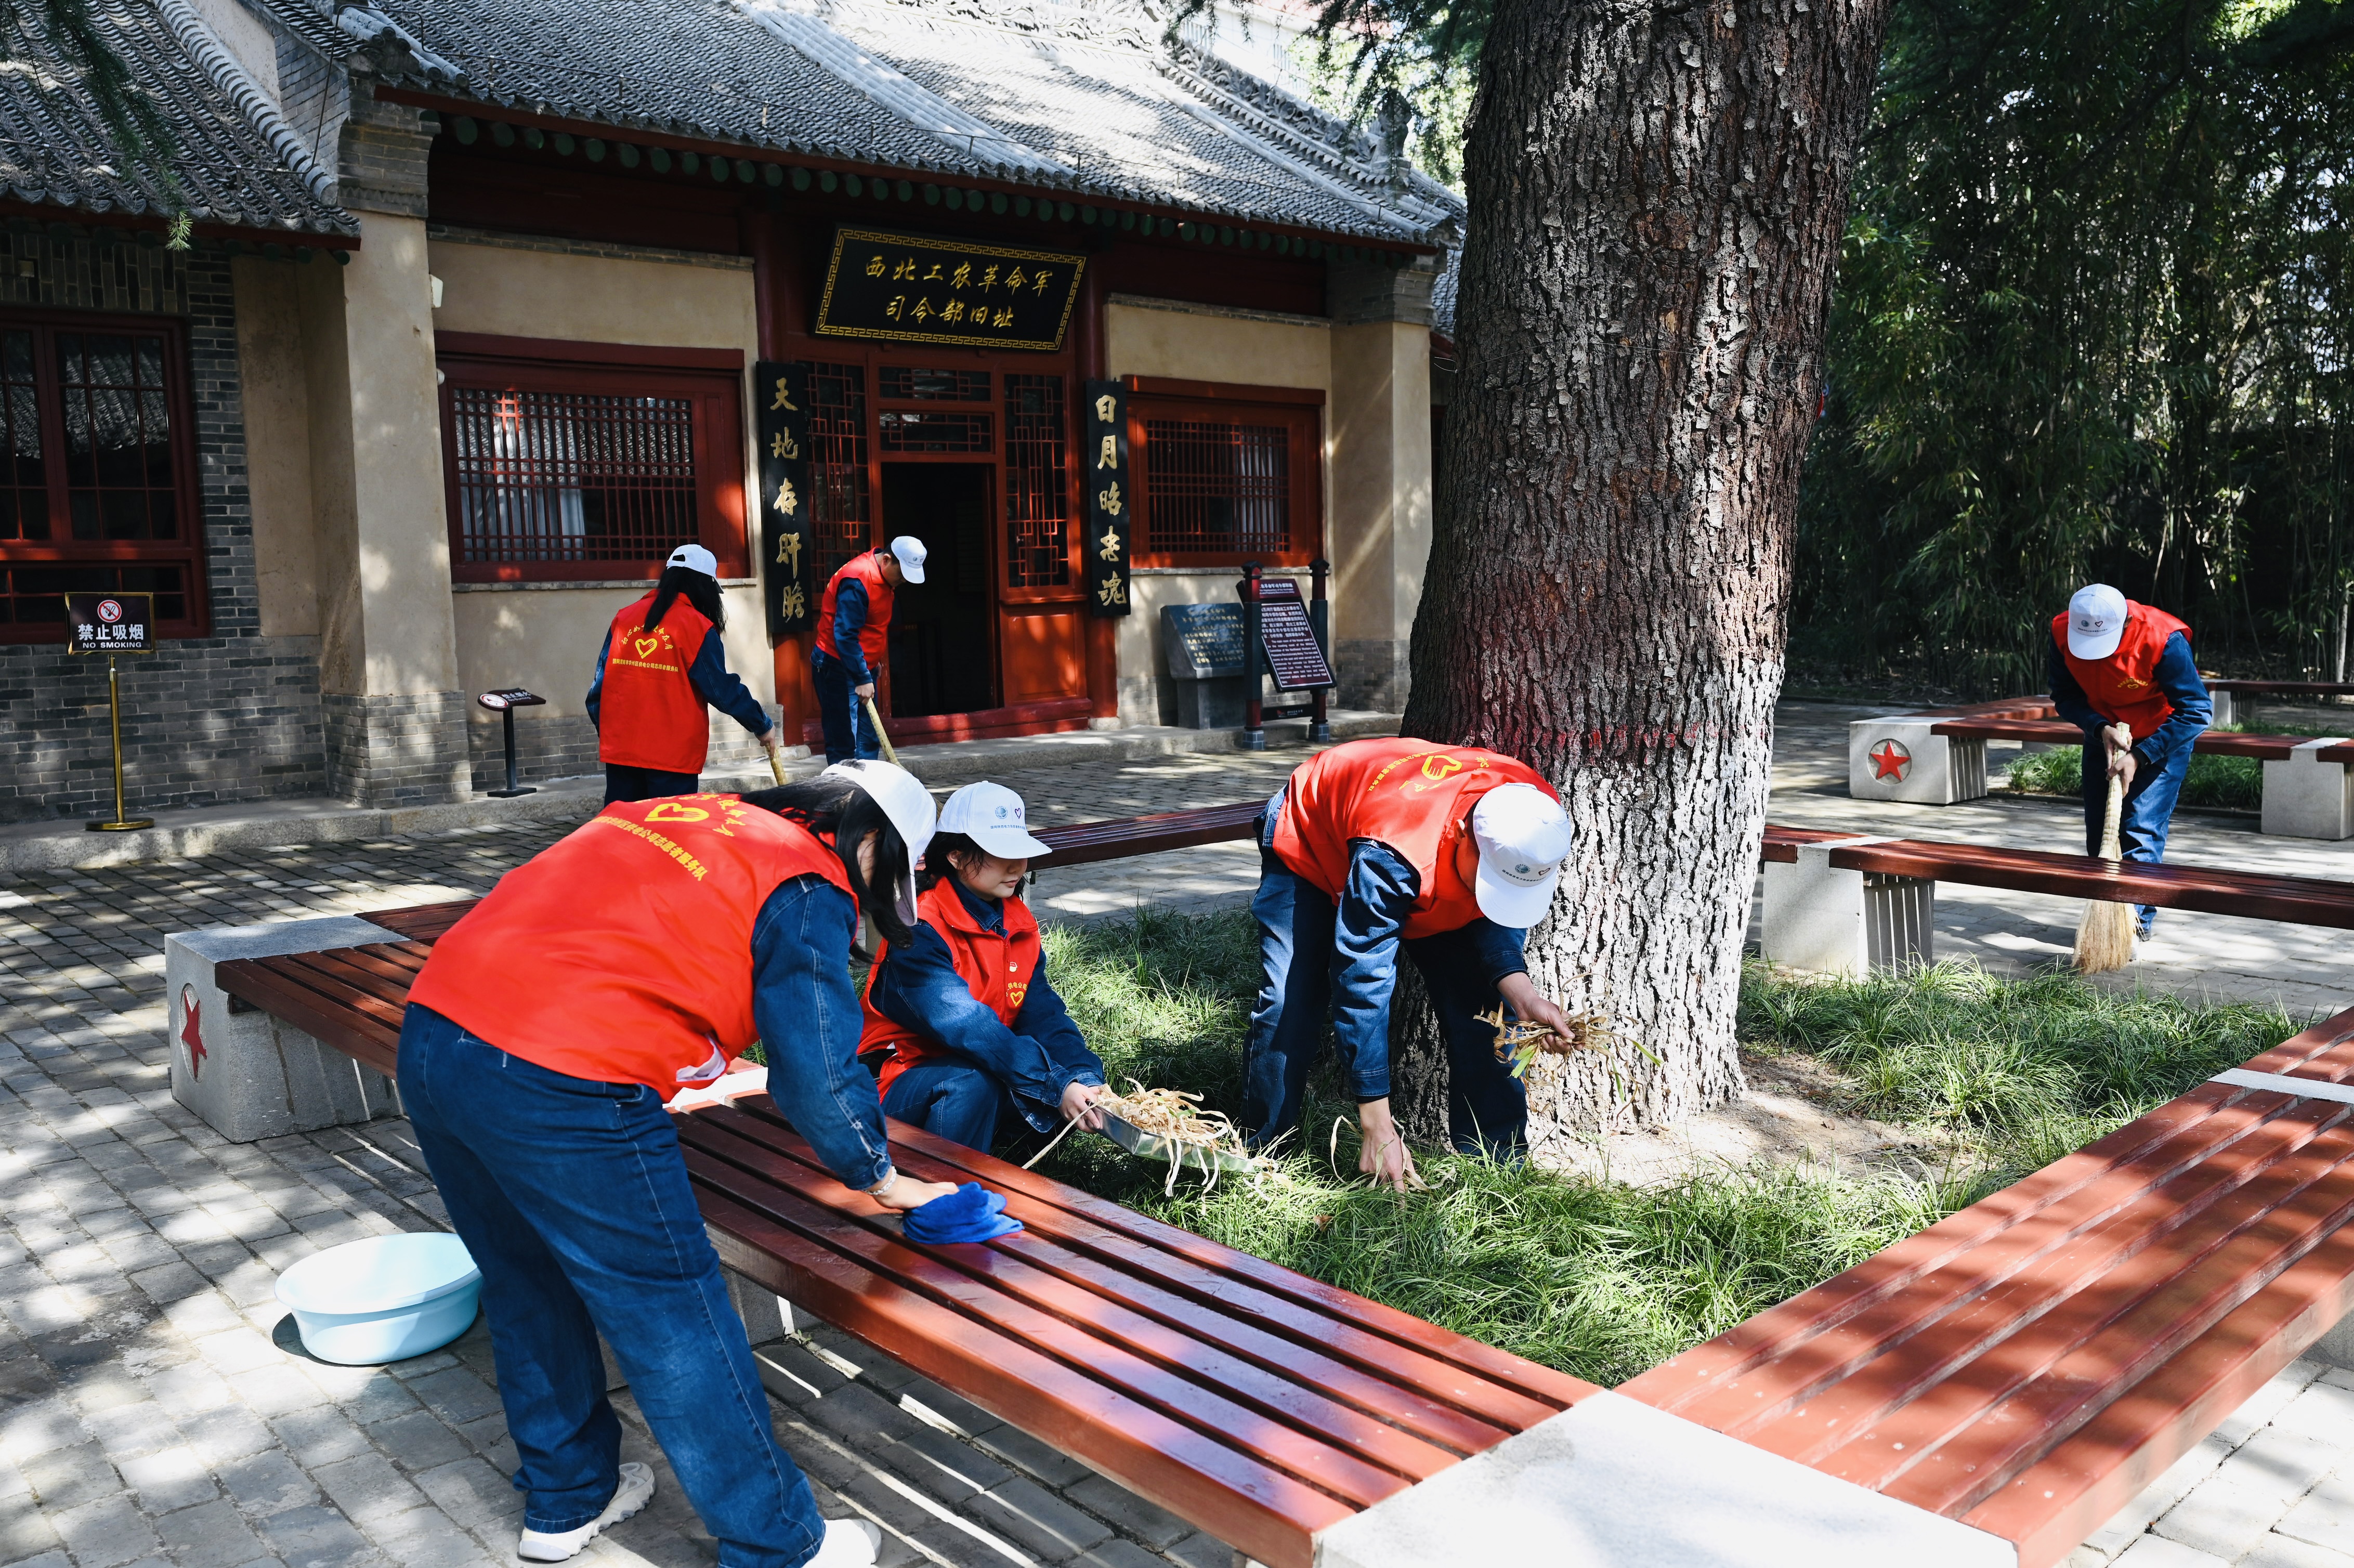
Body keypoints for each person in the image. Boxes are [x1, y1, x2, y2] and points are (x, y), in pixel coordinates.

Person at [397, 762, 959, 1568]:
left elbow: (625, 942)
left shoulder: (678, 813)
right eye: (890, 870)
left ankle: (566, 1502)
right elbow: (821, 1070)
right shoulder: (808, 882)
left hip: (437, 1035)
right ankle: (777, 1545)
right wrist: (880, 1176)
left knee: (526, 1281)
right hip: (565, 1078)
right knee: (676, 1316)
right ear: (867, 838)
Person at [1246, 737, 1582, 1188]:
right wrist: (1375, 1120)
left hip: (1411, 848)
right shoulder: (1395, 856)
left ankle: (1498, 1170)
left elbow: (1499, 910)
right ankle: (1259, 1158)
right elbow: (1362, 978)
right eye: (1488, 880)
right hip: (1311, 842)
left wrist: (1524, 996)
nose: (1493, 892)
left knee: (1484, 1010)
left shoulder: (1535, 817)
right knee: (1292, 1002)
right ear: (1464, 837)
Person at [861, 781, 1108, 1152]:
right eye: (999, 853)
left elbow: (1042, 1014)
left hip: (975, 1068)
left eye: (1020, 851)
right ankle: (943, 1192)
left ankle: (988, 1170)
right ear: (956, 856)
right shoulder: (919, 930)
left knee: (1059, 1081)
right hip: (890, 1087)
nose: (1017, 866)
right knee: (975, 1080)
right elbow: (971, 1029)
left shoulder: (1016, 921)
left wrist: (1082, 1076)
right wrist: (1055, 1085)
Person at [2048, 583, 2213, 940]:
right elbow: (2064, 695)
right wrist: (2099, 728)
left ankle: (2132, 929)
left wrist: (2141, 755)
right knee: (2103, 831)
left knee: (2141, 829)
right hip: (2105, 737)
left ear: (2125, 623)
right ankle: (2110, 913)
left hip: (2161, 739)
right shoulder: (2062, 630)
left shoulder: (2161, 638)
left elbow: (2197, 711)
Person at [587, 543, 783, 804]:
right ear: (703, 586)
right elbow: (722, 690)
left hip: (622, 755)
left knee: (625, 834)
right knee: (669, 834)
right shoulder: (696, 627)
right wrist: (762, 725)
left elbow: (597, 692)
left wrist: (615, 735)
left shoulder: (624, 618)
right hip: (672, 759)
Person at [812, 535, 927, 764]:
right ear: (886, 560)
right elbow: (845, 635)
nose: (904, 581)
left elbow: (872, 625)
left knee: (868, 739)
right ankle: (844, 797)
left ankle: (866, 794)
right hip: (837, 667)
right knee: (844, 742)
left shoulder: (885, 579)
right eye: (902, 574)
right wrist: (861, 675)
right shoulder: (858, 581)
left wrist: (874, 662)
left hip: (861, 666)